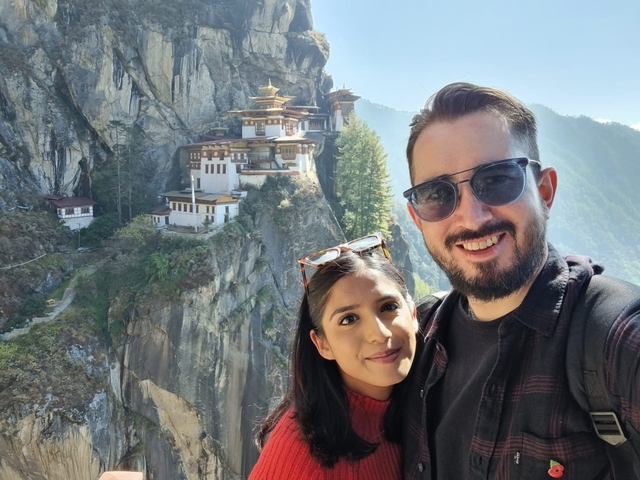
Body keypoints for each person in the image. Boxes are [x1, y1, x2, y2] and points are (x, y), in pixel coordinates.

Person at [401, 82, 640, 479]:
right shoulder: (415, 342)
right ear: (417, 219)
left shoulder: (614, 341)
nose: (472, 218)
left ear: (544, 191)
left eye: (496, 179)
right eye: (437, 194)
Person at [249, 233, 418, 479]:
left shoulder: (428, 398)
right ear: (322, 344)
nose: (379, 334)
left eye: (388, 307)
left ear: (413, 314)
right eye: (348, 319)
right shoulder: (300, 455)